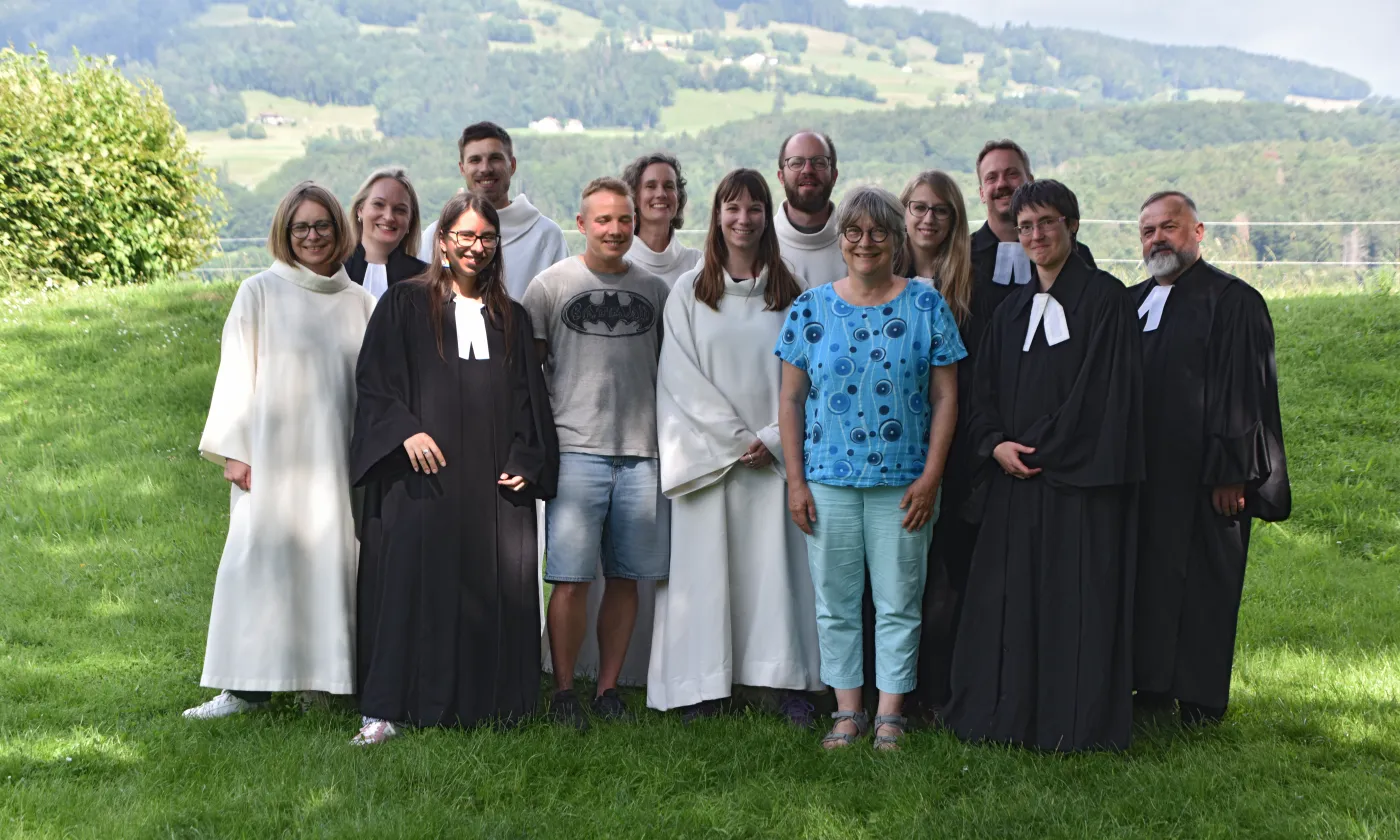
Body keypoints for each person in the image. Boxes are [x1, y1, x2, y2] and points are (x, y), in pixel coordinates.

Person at [348, 193, 560, 745]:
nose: (476, 246)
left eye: (486, 237)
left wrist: (526, 459)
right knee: (408, 588)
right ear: (442, 241)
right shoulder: (401, 306)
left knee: (495, 585)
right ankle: (390, 707)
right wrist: (404, 431)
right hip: (422, 480)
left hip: (494, 488)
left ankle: (493, 705)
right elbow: (374, 383)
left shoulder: (509, 317)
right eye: (464, 236)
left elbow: (530, 402)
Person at [944, 180, 1144, 753]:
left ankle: (1071, 725)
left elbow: (1100, 396)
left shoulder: (1107, 301)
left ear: (1072, 226)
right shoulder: (1009, 314)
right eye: (1025, 226)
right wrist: (996, 446)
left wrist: (1041, 451)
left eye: (1047, 223)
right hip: (1015, 485)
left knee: (1073, 606)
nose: (1035, 235)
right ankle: (1008, 717)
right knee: (1009, 605)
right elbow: (981, 396)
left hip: (1078, 488)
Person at [776, 186, 964, 751]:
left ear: (897, 239)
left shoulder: (926, 305)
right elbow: (789, 400)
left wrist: (932, 477)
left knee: (899, 602)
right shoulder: (809, 309)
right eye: (855, 232)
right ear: (841, 240)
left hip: (904, 484)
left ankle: (890, 715)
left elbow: (946, 398)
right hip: (828, 481)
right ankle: (846, 712)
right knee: (835, 603)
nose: (866, 242)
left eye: (879, 232)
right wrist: (796, 481)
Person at [184, 182, 375, 720]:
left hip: (335, 462)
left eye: (323, 226)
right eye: (302, 228)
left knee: (330, 565)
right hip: (269, 459)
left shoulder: (361, 303)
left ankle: (325, 679)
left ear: (340, 231)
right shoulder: (259, 292)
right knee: (259, 565)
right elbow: (235, 375)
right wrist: (234, 451)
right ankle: (244, 689)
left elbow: (374, 391)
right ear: (285, 234)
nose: (313, 236)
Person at [648, 168, 822, 725]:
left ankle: (788, 681)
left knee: (780, 575)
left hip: (776, 459)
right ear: (716, 215)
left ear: (765, 217)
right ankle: (704, 684)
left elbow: (813, 377)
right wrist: (734, 440)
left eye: (752, 208)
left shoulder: (791, 293)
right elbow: (679, 378)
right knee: (707, 575)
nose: (742, 219)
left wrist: (773, 438)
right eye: (731, 207)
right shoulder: (689, 292)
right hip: (713, 460)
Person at [1131, 191, 1291, 726]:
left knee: (1205, 583)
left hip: (1208, 477)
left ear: (1198, 233)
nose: (1158, 238)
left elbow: (1245, 390)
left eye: (1169, 227)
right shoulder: (1132, 303)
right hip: (1147, 474)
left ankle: (1200, 699)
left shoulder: (1233, 300)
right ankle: (1151, 688)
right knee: (1149, 581)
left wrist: (1232, 471)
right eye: (1148, 230)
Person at [523, 177, 671, 731]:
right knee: (570, 578)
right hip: (574, 451)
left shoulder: (656, 291)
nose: (615, 229)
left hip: (642, 453)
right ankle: (564, 690)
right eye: (603, 220)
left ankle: (608, 689)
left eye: (624, 220)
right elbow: (529, 377)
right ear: (581, 224)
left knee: (627, 577)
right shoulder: (549, 287)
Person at [893, 170, 974, 718]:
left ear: (953, 220)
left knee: (945, 578)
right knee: (893, 580)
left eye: (939, 210)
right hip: (894, 450)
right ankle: (886, 691)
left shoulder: (975, 289)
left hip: (960, 450)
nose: (926, 219)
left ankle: (936, 695)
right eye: (917, 208)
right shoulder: (878, 278)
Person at [418, 121, 569, 300]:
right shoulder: (437, 235)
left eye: (495, 158)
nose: (485, 169)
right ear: (462, 168)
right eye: (475, 160)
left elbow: (559, 306)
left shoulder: (546, 236)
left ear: (512, 165)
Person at [773, 130, 845, 287]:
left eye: (819, 162)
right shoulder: (760, 242)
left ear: (834, 176)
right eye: (796, 163)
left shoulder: (858, 246)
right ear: (781, 177)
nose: (807, 170)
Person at [344, 167, 427, 299]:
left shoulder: (426, 280)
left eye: (400, 210)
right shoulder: (335, 270)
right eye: (378, 204)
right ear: (360, 210)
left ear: (410, 220)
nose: (389, 217)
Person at [623, 152, 701, 286]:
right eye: (651, 186)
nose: (661, 194)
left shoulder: (698, 264)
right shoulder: (618, 264)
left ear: (679, 196)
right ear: (634, 197)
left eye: (669, 186)